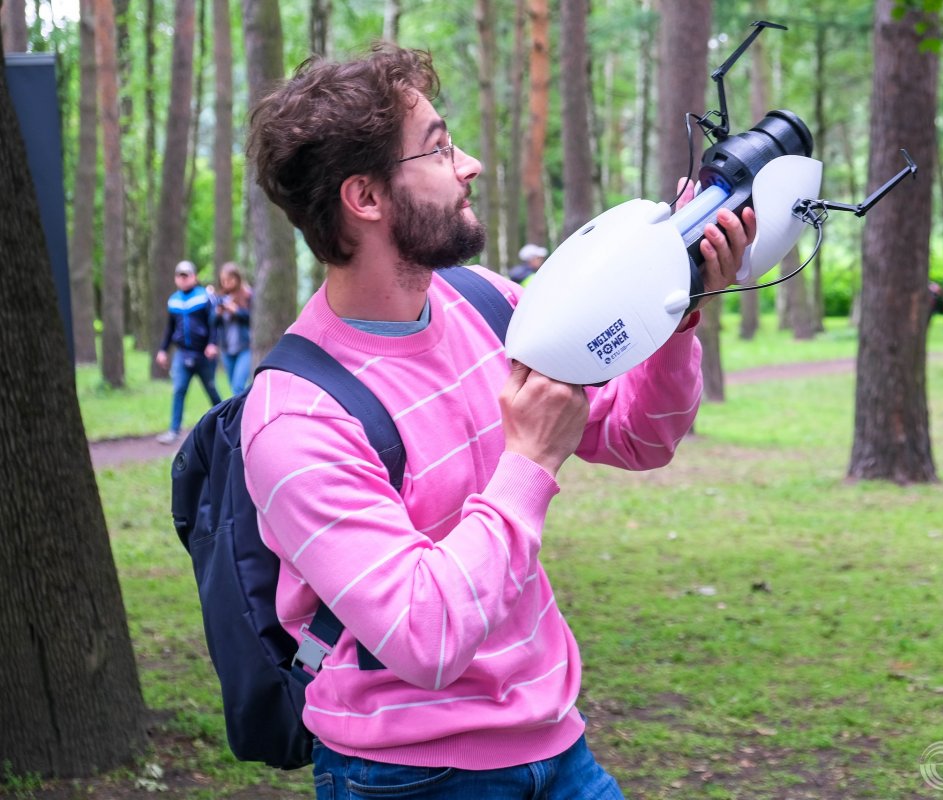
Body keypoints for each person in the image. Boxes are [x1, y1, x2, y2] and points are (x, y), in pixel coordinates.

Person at [241, 43, 754, 799]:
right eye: (440, 148)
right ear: (367, 198)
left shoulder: (483, 302)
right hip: (409, 774)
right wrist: (528, 463)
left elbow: (640, 436)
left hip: (558, 742)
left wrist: (681, 314)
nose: (470, 163)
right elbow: (427, 637)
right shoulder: (295, 419)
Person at [155, 261, 222, 444]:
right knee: (178, 390)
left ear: (194, 277)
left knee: (211, 390)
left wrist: (212, 344)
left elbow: (213, 323)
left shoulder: (204, 297)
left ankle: (226, 425)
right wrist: (163, 350)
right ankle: (173, 431)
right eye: (179, 276)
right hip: (182, 354)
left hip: (203, 355)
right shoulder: (174, 300)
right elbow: (170, 328)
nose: (183, 279)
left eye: (186, 275)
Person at [212, 261, 254, 394]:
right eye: (223, 280)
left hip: (244, 347)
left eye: (229, 279)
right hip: (226, 349)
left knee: (238, 386)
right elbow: (212, 323)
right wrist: (217, 314)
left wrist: (237, 311)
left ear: (237, 278)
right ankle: (242, 412)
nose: (226, 283)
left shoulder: (248, 295)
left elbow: (254, 319)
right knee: (233, 389)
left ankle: (243, 415)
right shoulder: (221, 298)